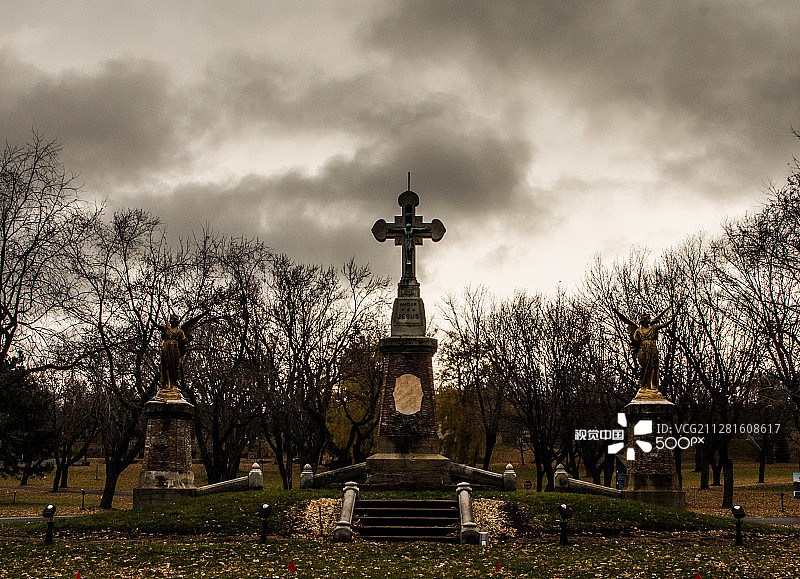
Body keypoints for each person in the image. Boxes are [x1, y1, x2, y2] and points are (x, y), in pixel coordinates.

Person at [612, 307, 676, 395]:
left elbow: (664, 325)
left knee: (653, 366)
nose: (647, 320)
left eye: (648, 319)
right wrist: (633, 340)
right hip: (642, 349)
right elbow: (634, 341)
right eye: (645, 319)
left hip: (652, 348)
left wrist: (672, 319)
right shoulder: (638, 330)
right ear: (642, 320)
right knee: (643, 366)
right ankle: (644, 384)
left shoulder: (653, 328)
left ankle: (652, 385)